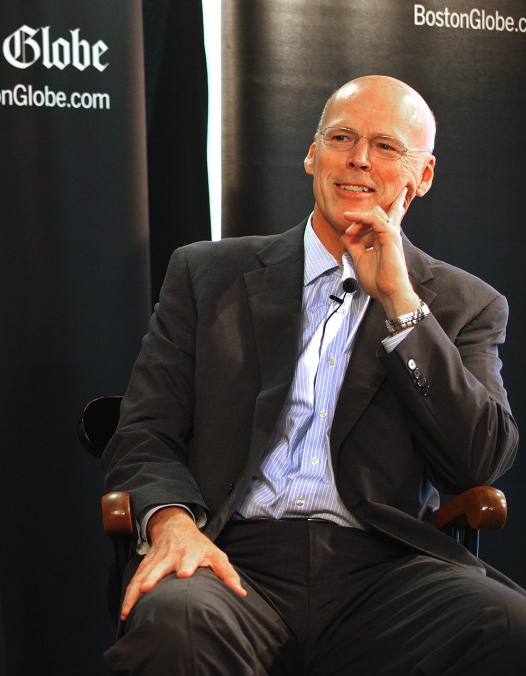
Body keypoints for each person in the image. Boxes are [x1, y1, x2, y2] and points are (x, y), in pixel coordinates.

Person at [102, 75, 526, 674]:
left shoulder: (464, 305)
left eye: (386, 146)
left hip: (386, 569)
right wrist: (172, 523)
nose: (359, 159)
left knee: (509, 628)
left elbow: (476, 461)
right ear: (312, 154)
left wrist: (402, 307)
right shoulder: (207, 275)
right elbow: (145, 430)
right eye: (342, 138)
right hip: (231, 556)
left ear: (423, 175)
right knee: (176, 624)